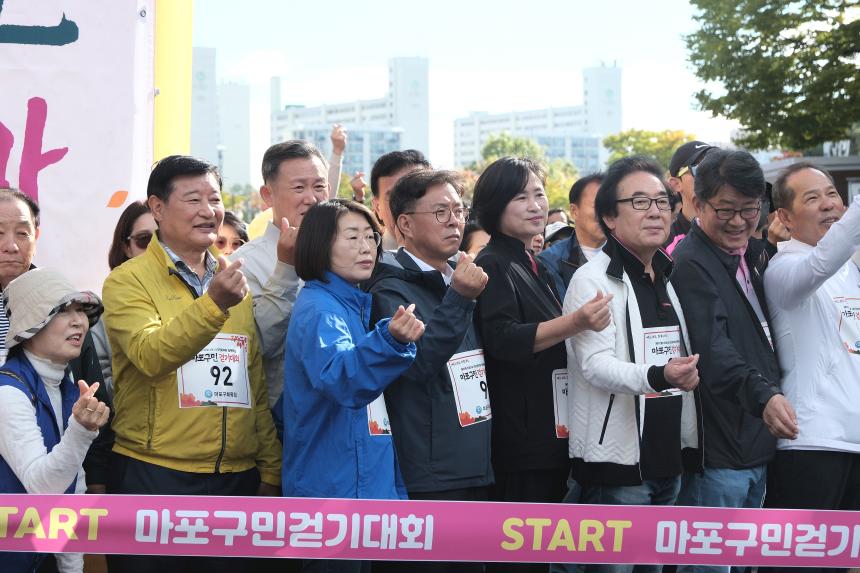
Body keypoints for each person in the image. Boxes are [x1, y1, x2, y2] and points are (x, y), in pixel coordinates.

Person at [102, 155, 281, 573]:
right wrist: (213, 304)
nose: (208, 211)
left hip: (236, 480)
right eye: (193, 199)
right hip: (155, 477)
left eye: (214, 199)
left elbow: (251, 379)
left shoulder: (233, 282)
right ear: (158, 208)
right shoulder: (127, 281)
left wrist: (269, 469)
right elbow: (151, 355)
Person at [471, 156, 612, 573]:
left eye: (538, 194)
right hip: (521, 438)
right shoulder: (492, 262)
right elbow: (503, 339)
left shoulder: (534, 264)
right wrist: (576, 322)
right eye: (521, 197)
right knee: (521, 558)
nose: (535, 205)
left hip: (551, 432)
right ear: (495, 205)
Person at [562, 156, 701, 573]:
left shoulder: (667, 275)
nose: (656, 211)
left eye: (662, 200)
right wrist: (659, 375)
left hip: (667, 459)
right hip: (619, 467)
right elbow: (595, 367)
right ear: (609, 215)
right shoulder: (592, 280)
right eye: (640, 202)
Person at [670, 150, 796, 573]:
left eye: (749, 209)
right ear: (698, 205)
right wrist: (764, 396)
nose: (740, 222)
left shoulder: (752, 255)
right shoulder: (690, 263)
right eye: (726, 210)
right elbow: (714, 350)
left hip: (756, 445)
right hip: (721, 454)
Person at [283, 199, 423, 573]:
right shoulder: (319, 309)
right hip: (334, 496)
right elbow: (342, 380)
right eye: (351, 237)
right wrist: (389, 340)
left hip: (362, 492)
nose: (366, 247)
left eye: (371, 237)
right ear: (320, 244)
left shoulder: (350, 305)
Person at [366, 170, 489, 573]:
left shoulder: (461, 275)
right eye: (440, 211)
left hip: (475, 459)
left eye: (459, 209)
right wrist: (460, 299)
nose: (455, 220)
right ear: (404, 223)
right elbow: (417, 365)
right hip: (430, 471)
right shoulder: (389, 287)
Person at [764, 163, 860, 527]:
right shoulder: (784, 269)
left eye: (832, 194)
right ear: (785, 218)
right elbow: (821, 263)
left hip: (854, 441)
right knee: (797, 561)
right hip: (811, 443)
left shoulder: (851, 270)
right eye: (813, 198)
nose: (828, 205)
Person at [0, 268, 109, 573]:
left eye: (81, 310)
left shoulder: (67, 385)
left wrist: (71, 568)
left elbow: (73, 491)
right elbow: (43, 487)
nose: (79, 321)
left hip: (38, 558)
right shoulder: (8, 392)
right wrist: (82, 430)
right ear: (29, 326)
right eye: (63, 310)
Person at [231, 141, 330, 406]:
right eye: (299, 187)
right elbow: (255, 346)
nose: (312, 198)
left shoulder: (350, 254)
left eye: (319, 186)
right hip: (280, 418)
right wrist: (285, 269)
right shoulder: (243, 263)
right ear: (267, 194)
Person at [538, 173, 606, 300]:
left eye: (609, 205)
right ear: (574, 211)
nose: (605, 212)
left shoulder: (627, 254)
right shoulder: (551, 261)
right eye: (597, 205)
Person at [370, 149, 431, 250]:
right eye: (395, 196)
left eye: (418, 193)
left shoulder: (458, 261)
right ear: (378, 207)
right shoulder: (367, 262)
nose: (408, 204)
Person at [664, 141, 716, 251]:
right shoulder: (667, 246)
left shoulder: (736, 233)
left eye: (716, 168)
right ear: (676, 184)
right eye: (700, 169)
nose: (711, 176)